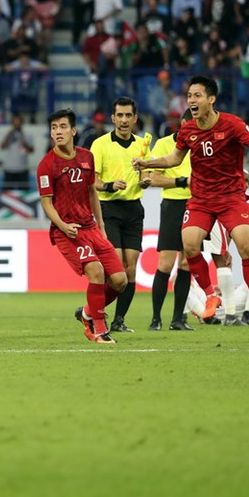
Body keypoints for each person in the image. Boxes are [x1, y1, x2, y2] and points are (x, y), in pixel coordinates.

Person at [134, 75, 249, 323]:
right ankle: (211, 296)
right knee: (189, 244)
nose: (191, 100)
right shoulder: (187, 130)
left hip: (231, 197)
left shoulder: (232, 124)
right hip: (201, 199)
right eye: (189, 96)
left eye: (197, 95)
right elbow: (174, 159)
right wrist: (148, 162)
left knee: (245, 243)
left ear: (211, 99)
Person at [37, 108, 126, 344]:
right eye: (54, 128)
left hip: (91, 228)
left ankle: (87, 313)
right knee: (95, 271)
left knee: (120, 280)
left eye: (63, 127)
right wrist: (63, 226)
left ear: (74, 131)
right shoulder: (47, 165)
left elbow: (92, 192)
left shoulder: (87, 157)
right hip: (68, 232)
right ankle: (99, 329)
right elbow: (46, 203)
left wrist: (102, 225)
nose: (58, 132)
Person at [89, 97, 152, 333]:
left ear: (135, 118)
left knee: (131, 269)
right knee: (114, 269)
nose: (124, 120)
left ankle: (119, 320)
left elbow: (148, 177)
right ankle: (94, 312)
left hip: (134, 209)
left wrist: (146, 181)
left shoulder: (142, 146)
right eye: (120, 115)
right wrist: (109, 185)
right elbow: (91, 182)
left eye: (128, 116)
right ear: (112, 118)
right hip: (109, 210)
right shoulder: (100, 145)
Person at [145, 108, 195, 331]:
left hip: (196, 207)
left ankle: (178, 319)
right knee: (165, 262)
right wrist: (183, 182)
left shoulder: (202, 146)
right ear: (183, 123)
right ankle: (156, 318)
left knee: (187, 263)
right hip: (173, 205)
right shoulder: (164, 144)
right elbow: (153, 178)